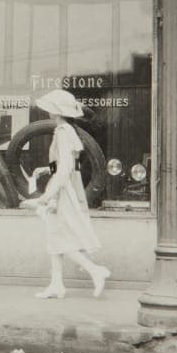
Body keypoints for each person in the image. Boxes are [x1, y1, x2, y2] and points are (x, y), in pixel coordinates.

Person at [21, 89, 110, 299]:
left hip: (64, 189)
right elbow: (67, 164)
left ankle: (94, 270)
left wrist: (46, 196)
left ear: (56, 110)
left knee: (60, 238)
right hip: (67, 186)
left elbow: (65, 169)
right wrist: (45, 170)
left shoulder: (63, 131)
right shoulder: (68, 130)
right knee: (55, 235)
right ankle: (56, 284)